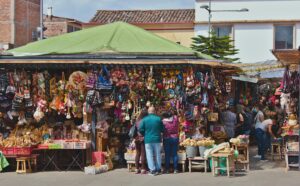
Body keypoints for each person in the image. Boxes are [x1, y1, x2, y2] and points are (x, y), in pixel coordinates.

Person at [139, 106, 164, 176]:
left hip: (148, 139)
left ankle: (152, 170)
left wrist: (144, 133)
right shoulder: (158, 119)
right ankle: (158, 169)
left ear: (148, 112)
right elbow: (162, 129)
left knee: (149, 155)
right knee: (158, 154)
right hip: (157, 139)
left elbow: (140, 129)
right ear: (154, 111)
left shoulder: (144, 119)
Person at [134, 109, 148, 174]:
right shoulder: (145, 121)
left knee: (138, 153)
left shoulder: (137, 121)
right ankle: (143, 168)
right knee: (143, 153)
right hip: (142, 138)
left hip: (137, 138)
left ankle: (136, 168)